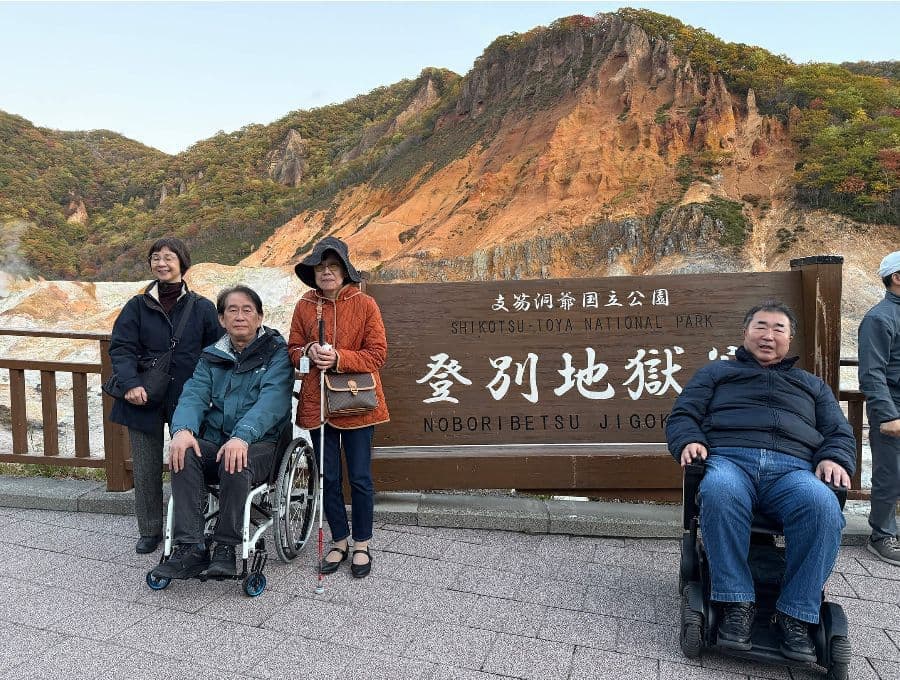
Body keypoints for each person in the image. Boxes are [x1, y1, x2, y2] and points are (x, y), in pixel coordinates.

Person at [666, 301, 855, 662]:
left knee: (823, 506)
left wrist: (834, 457)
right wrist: (690, 440)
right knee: (719, 491)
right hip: (730, 459)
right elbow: (683, 415)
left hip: (794, 470)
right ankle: (736, 602)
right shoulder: (717, 373)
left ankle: (795, 614)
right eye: (761, 327)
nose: (768, 336)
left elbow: (839, 433)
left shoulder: (811, 386)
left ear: (790, 338)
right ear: (745, 333)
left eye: (778, 329)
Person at [150, 285, 293, 580]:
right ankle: (190, 547)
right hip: (218, 441)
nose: (240, 316)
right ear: (221, 319)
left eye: (247, 310)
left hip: (262, 443)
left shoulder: (277, 354)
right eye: (232, 310)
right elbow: (194, 395)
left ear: (259, 317)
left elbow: (272, 401)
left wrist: (242, 436)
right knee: (184, 451)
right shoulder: (212, 357)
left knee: (236, 457)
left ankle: (226, 545)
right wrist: (183, 430)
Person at [108, 237, 222, 554]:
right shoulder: (137, 306)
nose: (162, 263)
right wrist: (130, 383)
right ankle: (150, 530)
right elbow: (121, 348)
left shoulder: (202, 307)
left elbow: (216, 352)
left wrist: (210, 391)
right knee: (145, 468)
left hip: (188, 398)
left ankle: (189, 529)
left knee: (186, 462)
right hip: (142, 395)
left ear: (182, 263)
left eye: (169, 257)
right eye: (156, 257)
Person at [288, 236, 389, 579]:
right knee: (327, 476)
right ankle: (339, 540)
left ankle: (362, 542)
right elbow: (292, 350)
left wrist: (339, 358)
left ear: (345, 270)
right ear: (313, 273)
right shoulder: (304, 305)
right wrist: (306, 354)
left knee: (359, 477)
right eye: (320, 267)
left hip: (357, 401)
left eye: (333, 266)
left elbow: (378, 354)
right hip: (319, 403)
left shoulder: (365, 304)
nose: (326, 273)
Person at [858, 250, 900, 566]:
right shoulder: (879, 317)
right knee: (890, 473)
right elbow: (872, 371)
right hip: (893, 408)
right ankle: (881, 535)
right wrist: (887, 415)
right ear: (896, 278)